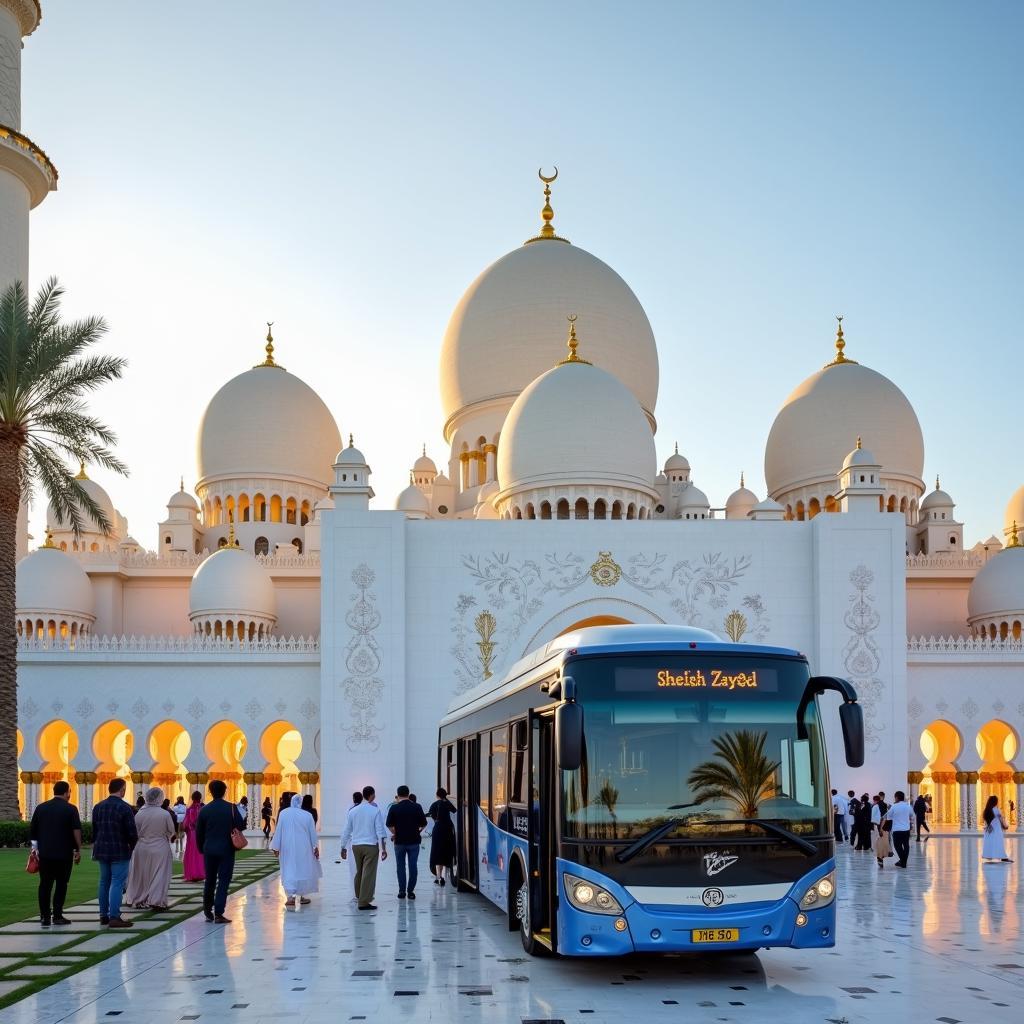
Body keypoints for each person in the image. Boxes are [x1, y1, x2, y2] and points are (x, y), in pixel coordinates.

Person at [29, 780, 82, 927]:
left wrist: (34, 850)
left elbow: (33, 832)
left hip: (45, 854)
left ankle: (45, 916)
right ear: (66, 792)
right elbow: (76, 830)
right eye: (69, 792)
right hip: (64, 854)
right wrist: (78, 849)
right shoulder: (71, 809)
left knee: (45, 885)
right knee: (61, 884)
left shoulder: (41, 808)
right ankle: (57, 915)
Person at [196, 779, 246, 923]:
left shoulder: (204, 810)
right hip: (226, 849)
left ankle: (207, 909)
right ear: (224, 791)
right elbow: (241, 825)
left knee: (210, 880)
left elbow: (199, 833)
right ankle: (218, 912)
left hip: (209, 849)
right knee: (224, 880)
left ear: (210, 792)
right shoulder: (230, 808)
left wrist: (201, 848)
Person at [91, 777, 138, 928]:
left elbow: (95, 830)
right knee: (117, 882)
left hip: (102, 849)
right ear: (122, 789)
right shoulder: (125, 808)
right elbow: (132, 832)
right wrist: (132, 846)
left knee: (104, 881)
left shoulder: (98, 807)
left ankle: (103, 915)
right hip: (119, 850)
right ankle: (114, 916)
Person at [126, 787, 175, 909]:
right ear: (160, 798)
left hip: (141, 847)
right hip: (160, 847)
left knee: (141, 875)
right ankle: (156, 900)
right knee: (160, 874)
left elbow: (134, 832)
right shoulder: (164, 814)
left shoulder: (139, 814)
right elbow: (171, 831)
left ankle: (137, 898)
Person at [340, 785, 388, 910]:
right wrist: (383, 849)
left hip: (356, 846)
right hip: (370, 846)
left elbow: (347, 830)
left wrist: (343, 847)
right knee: (369, 873)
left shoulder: (353, 811)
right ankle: (364, 901)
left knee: (359, 871)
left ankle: (358, 895)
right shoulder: (374, 810)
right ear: (371, 795)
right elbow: (380, 831)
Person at [270, 794, 322, 907]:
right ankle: (298, 895)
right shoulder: (307, 815)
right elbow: (312, 834)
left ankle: (291, 896)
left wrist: (275, 846)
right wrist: (315, 847)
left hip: (286, 846)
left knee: (289, 869)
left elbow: (278, 830)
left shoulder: (284, 813)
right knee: (302, 869)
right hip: (304, 847)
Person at [386, 784, 428, 900]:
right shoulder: (417, 807)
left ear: (398, 795)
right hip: (414, 841)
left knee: (400, 866)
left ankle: (401, 891)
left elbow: (389, 824)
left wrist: (395, 832)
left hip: (399, 842)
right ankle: (411, 891)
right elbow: (424, 823)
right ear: (408, 794)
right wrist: (418, 831)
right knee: (413, 866)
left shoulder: (394, 808)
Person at [427, 787, 457, 886]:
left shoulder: (434, 804)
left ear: (437, 795)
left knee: (437, 851)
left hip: (438, 829)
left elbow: (432, 815)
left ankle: (438, 876)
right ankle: (444, 874)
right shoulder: (448, 804)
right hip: (448, 828)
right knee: (447, 850)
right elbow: (454, 811)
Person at [885, 791, 913, 868]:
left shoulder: (894, 806)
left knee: (897, 846)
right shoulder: (908, 806)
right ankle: (903, 862)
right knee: (906, 846)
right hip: (906, 830)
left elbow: (889, 817)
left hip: (897, 830)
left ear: (896, 797)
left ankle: (902, 861)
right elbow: (911, 815)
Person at [181, 791, 205, 881]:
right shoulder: (203, 809)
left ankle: (191, 874)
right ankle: (200, 873)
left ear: (192, 798)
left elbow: (185, 825)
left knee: (191, 853)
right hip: (201, 834)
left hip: (192, 835)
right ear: (200, 798)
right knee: (200, 853)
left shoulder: (189, 809)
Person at [981, 796, 1013, 863]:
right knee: (998, 843)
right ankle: (1003, 857)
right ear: (995, 802)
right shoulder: (996, 810)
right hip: (996, 830)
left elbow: (985, 822)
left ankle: (989, 855)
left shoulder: (986, 810)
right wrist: (1005, 826)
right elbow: (1001, 819)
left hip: (989, 830)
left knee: (990, 843)